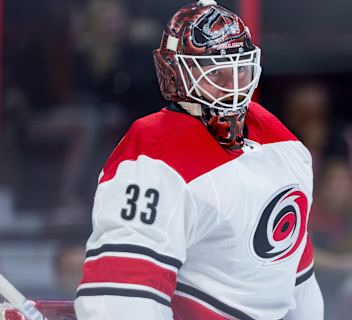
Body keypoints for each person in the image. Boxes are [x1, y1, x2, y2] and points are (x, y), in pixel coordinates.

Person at [74, 1, 324, 319]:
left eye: (240, 68)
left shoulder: (284, 145)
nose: (233, 85)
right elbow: (124, 294)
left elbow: (296, 283)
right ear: (175, 72)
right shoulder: (157, 152)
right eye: (217, 72)